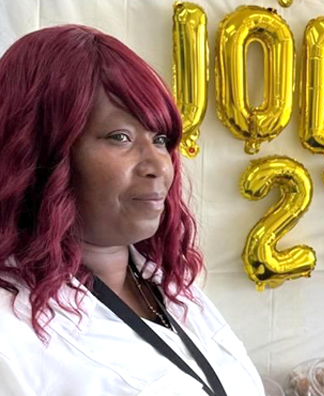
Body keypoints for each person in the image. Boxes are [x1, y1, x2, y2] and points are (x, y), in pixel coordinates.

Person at [0, 24, 264, 396]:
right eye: (120, 137)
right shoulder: (11, 336)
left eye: (160, 139)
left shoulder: (171, 287)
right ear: (40, 153)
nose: (158, 164)